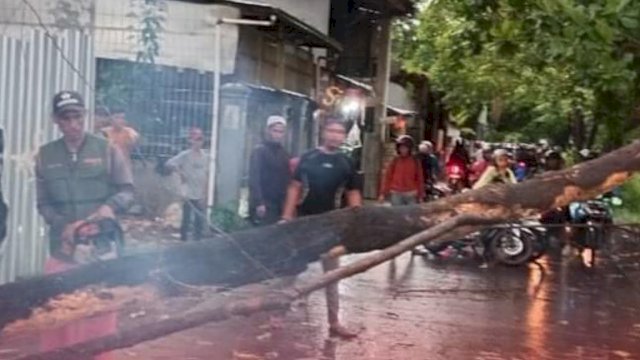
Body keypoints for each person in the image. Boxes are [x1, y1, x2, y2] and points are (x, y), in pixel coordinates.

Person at [36, 91, 134, 273]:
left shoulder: (107, 149)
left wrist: (110, 207)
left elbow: (127, 191)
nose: (73, 125)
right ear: (55, 120)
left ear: (85, 115)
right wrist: (64, 226)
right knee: (64, 299)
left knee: (106, 296)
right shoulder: (45, 156)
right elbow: (43, 203)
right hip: (63, 245)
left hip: (102, 240)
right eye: (66, 119)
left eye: (78, 117)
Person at [281, 117, 362, 338]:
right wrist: (287, 217)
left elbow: (353, 194)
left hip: (332, 227)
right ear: (323, 132)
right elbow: (294, 187)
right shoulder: (308, 158)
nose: (335, 135)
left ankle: (334, 322)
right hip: (305, 223)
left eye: (340, 132)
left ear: (344, 137)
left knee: (332, 277)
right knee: (291, 271)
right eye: (331, 131)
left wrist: (357, 223)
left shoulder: (347, 162)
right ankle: (277, 314)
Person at [165, 127, 209, 241]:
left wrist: (206, 192)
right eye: (195, 139)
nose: (198, 142)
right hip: (188, 192)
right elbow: (169, 163)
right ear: (190, 140)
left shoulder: (205, 156)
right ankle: (184, 240)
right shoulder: (185, 155)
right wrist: (179, 172)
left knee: (199, 218)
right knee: (187, 217)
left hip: (200, 192)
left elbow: (207, 173)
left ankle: (198, 240)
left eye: (200, 139)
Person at [248, 116, 290, 226]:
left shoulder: (284, 153)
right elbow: (254, 178)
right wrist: (259, 202)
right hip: (264, 203)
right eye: (275, 131)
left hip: (279, 204)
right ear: (268, 131)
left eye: (281, 132)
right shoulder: (259, 151)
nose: (277, 135)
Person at [378, 135, 424, 205]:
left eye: (405, 148)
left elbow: (420, 178)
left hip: (411, 193)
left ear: (409, 148)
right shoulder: (395, 160)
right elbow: (387, 177)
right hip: (396, 193)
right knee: (396, 214)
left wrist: (420, 195)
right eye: (401, 148)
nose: (403, 150)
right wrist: (383, 193)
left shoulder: (415, 161)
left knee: (412, 214)